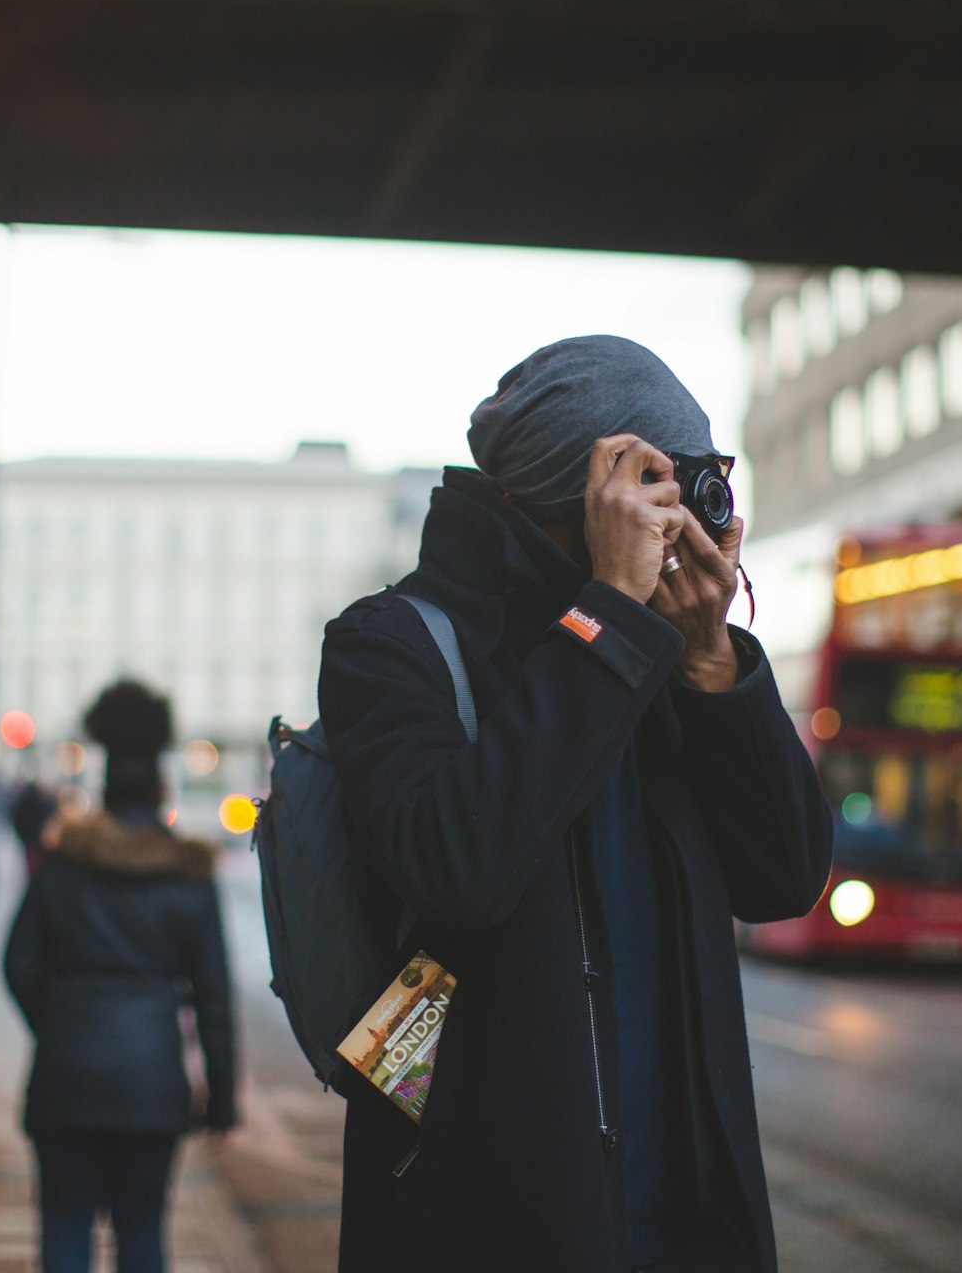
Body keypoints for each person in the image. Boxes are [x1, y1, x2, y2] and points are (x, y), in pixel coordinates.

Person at [318, 336, 832, 1273]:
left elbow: (786, 878)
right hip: (484, 1215)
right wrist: (604, 614)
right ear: (578, 493)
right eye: (653, 481)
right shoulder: (395, 644)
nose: (683, 516)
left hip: (687, 1217)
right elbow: (458, 871)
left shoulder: (669, 651)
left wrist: (714, 661)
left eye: (696, 483)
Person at [4, 680, 236, 1273]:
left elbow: (18, 962)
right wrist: (222, 1095)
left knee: (63, 1227)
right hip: (150, 1078)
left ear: (103, 786)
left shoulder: (66, 863)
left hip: (67, 1073)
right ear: (161, 789)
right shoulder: (187, 874)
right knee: (141, 1232)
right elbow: (214, 996)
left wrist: (57, 1019)